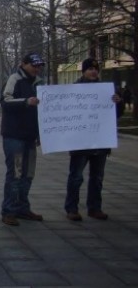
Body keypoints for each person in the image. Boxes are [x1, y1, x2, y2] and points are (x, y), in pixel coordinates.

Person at [65, 58, 122, 221]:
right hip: (81, 142)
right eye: (90, 69)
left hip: (101, 142)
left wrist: (118, 103)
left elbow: (116, 114)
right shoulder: (74, 90)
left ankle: (95, 208)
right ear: (83, 71)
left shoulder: (107, 90)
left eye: (96, 69)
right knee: (76, 177)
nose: (93, 71)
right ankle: (71, 208)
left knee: (97, 178)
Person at [0, 52, 44, 226]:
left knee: (28, 174)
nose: (37, 68)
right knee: (16, 174)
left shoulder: (39, 83)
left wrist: (40, 133)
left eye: (39, 65)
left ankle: (22, 208)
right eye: (34, 65)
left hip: (30, 137)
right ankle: (9, 210)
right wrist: (26, 101)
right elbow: (5, 101)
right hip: (15, 136)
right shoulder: (14, 79)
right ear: (24, 64)